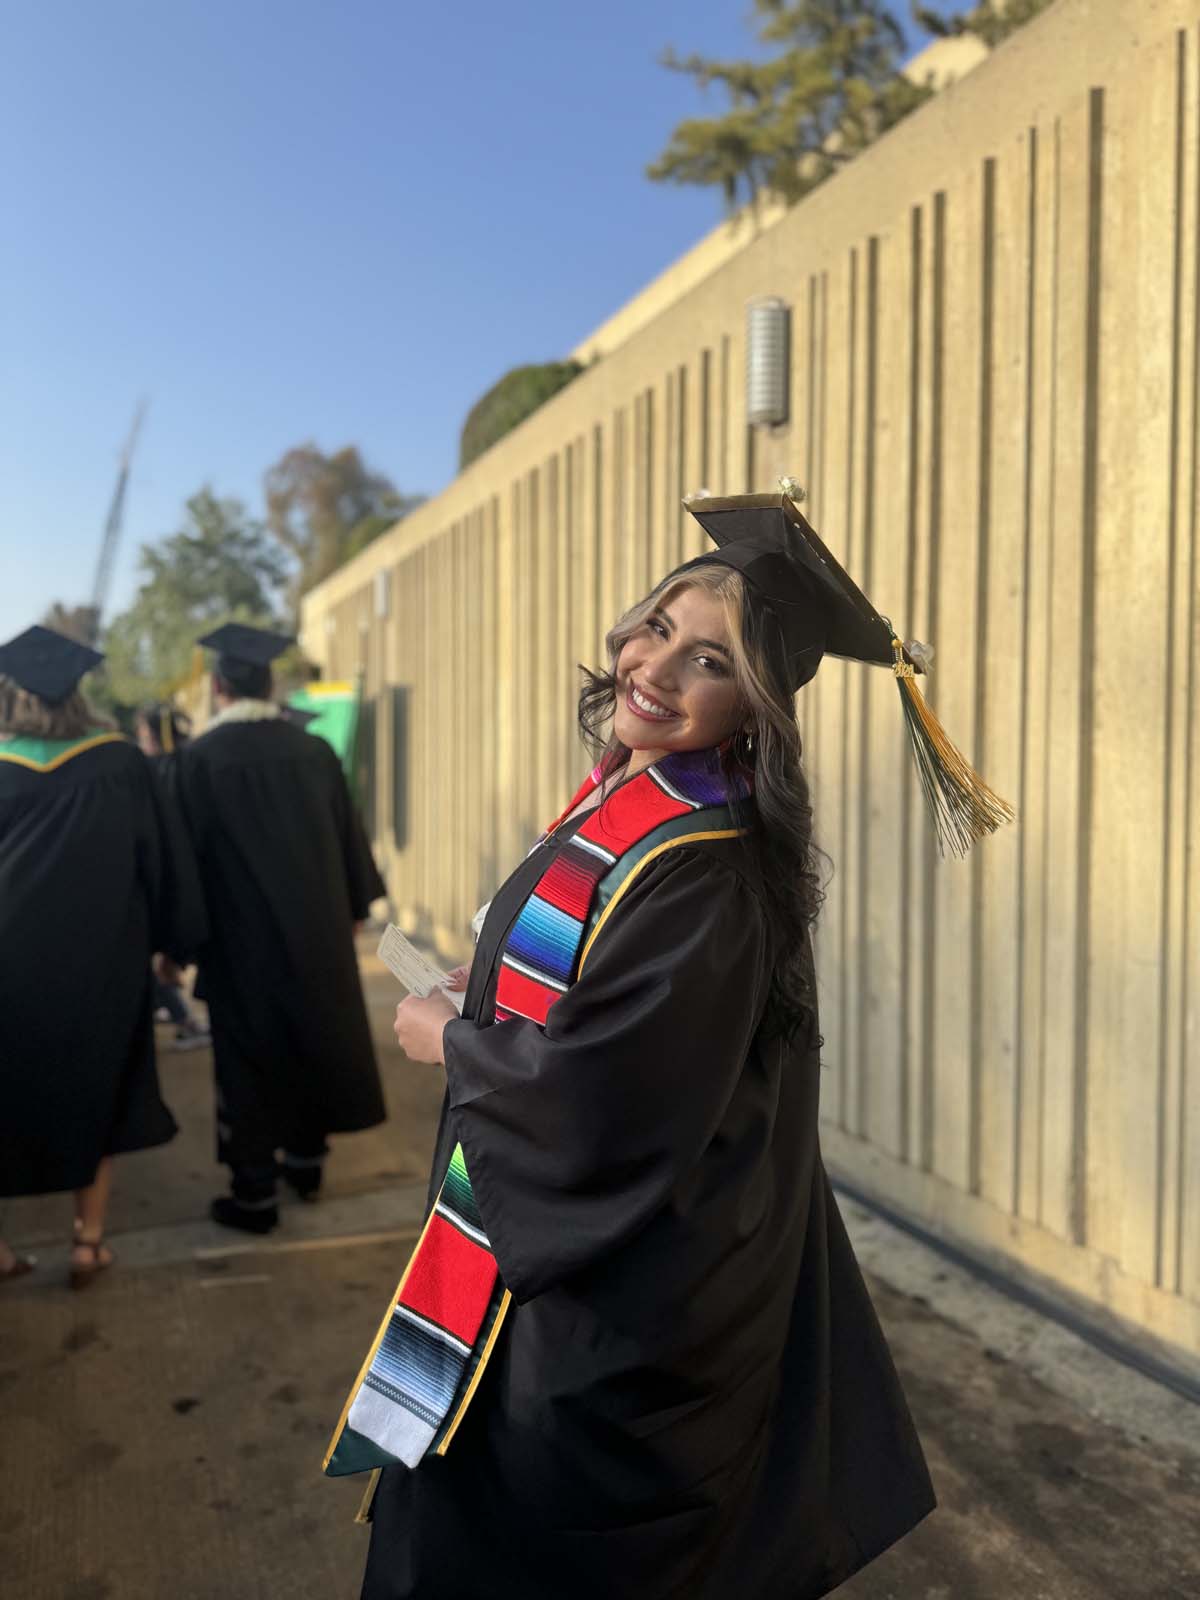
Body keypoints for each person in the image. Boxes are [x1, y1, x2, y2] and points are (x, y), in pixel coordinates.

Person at [329, 484, 1013, 1600]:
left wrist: (449, 1041)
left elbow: (611, 1100)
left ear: (758, 704)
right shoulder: (635, 796)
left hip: (618, 1296)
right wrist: (486, 984)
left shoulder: (710, 870)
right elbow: (590, 986)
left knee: (535, 1544)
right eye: (661, 626)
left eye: (709, 660)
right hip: (543, 1242)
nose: (656, 666)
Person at [0, 626, 206, 1288]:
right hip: (102, 965)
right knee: (100, 1092)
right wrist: (175, 948)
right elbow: (164, 861)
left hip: (8, 972)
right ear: (80, 690)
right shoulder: (121, 763)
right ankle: (88, 1243)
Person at [171, 622, 387, 1234]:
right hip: (315, 934)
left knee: (248, 1062)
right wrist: (351, 910)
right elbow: (349, 841)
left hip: (238, 945)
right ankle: (307, 1165)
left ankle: (255, 1194)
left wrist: (180, 943)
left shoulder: (195, 761)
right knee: (310, 1040)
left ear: (217, 687)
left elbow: (182, 863)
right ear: (270, 683)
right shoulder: (313, 751)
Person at [134, 702, 211, 1052]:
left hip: (174, 882)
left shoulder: (158, 770)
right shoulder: (190, 763)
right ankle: (179, 1014)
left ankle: (186, 1020)